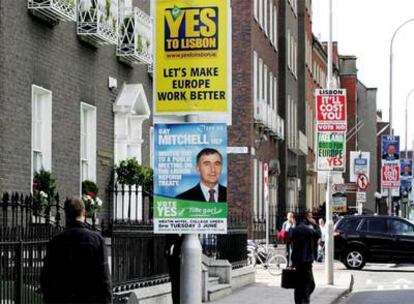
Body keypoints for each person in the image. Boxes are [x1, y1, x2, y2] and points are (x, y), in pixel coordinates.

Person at [40, 197, 112, 304]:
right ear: (84, 212)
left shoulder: (55, 242)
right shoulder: (97, 241)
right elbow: (104, 280)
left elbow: (46, 279)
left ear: (66, 214)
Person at [290, 211, 321, 304]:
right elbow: (318, 234)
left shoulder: (296, 229)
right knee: (309, 284)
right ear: (305, 219)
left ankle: (300, 301)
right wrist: (315, 224)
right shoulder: (306, 229)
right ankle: (304, 300)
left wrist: (292, 262)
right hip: (306, 261)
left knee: (299, 284)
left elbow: (294, 247)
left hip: (298, 261)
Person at [164, 234, 183, 304]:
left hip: (184, 264)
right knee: (175, 285)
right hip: (174, 262)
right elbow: (167, 248)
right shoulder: (170, 232)